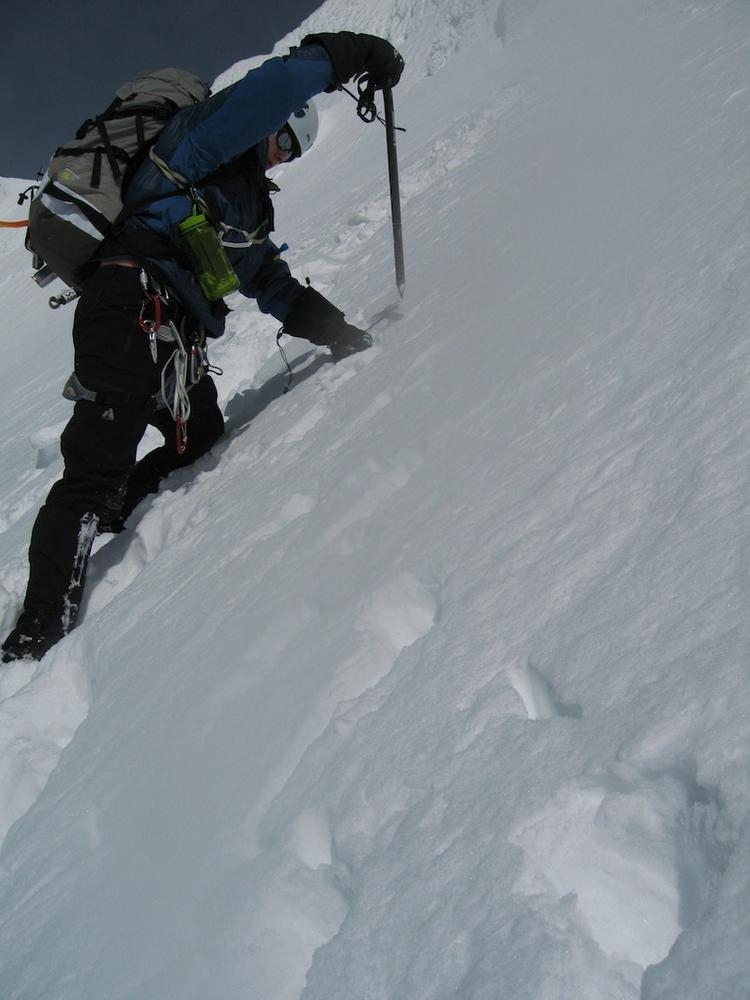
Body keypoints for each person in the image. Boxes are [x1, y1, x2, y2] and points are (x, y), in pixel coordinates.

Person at [1, 32, 404, 663]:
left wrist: (340, 334)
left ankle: (118, 513)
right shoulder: (197, 145)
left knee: (200, 434)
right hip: (128, 306)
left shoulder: (245, 209)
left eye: (293, 153)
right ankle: (37, 629)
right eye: (282, 140)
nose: (281, 157)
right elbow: (274, 88)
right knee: (94, 468)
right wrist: (350, 54)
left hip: (174, 339)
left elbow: (272, 284)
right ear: (268, 126)